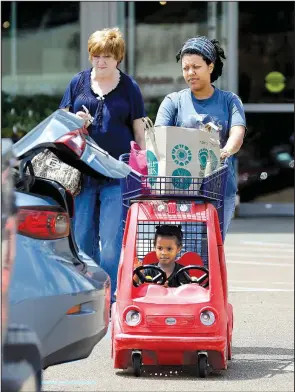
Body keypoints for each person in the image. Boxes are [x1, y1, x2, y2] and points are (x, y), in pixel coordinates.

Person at [59, 27, 146, 303]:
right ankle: (90, 293)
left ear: (118, 57)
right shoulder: (78, 83)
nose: (100, 62)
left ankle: (108, 297)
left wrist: (145, 166)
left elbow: (139, 130)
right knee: (83, 239)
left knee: (110, 243)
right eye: (96, 56)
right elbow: (61, 122)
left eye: (107, 56)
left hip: (117, 173)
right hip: (82, 173)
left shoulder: (129, 87)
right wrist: (77, 122)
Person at [155, 36, 246, 237]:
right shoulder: (173, 101)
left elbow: (237, 133)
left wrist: (225, 151)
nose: (190, 73)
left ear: (210, 67)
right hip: (180, 190)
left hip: (220, 188)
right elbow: (159, 137)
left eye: (196, 67)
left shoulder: (230, 101)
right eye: (185, 68)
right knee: (188, 249)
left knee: (213, 246)